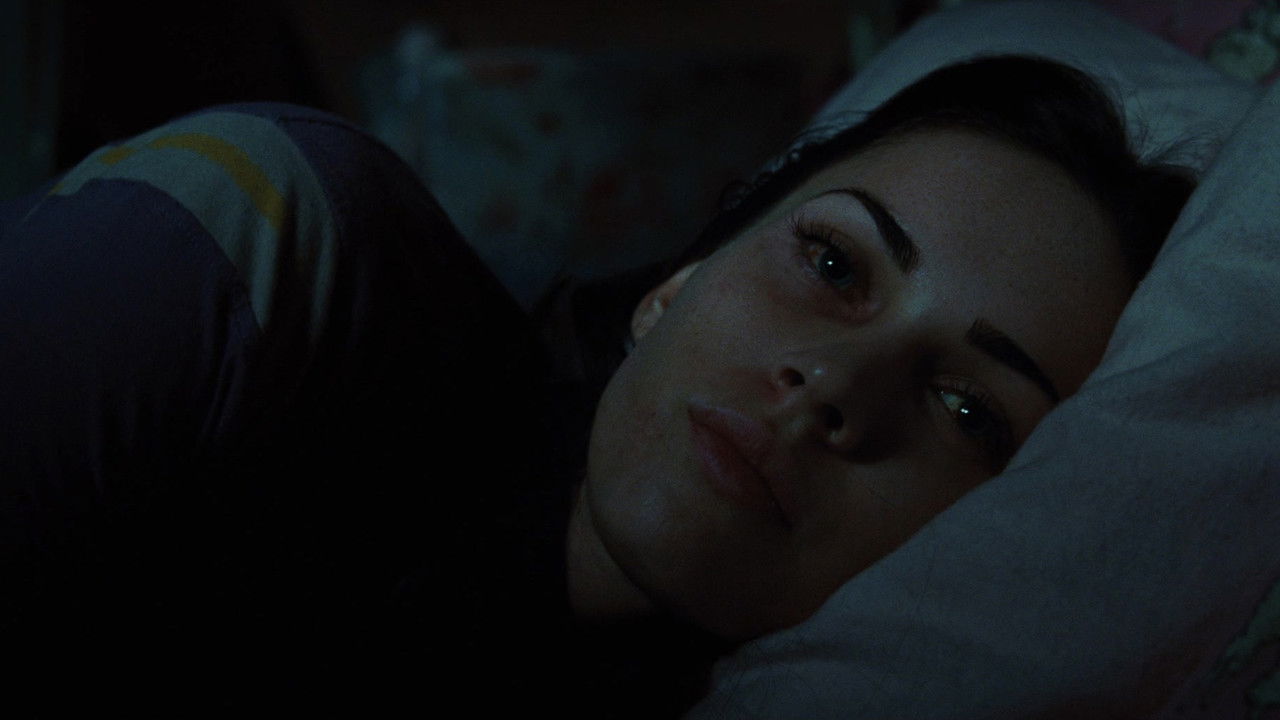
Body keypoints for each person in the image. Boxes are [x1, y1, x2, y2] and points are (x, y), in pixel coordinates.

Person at [0, 55, 1192, 716]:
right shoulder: (264, 254)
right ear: (677, 283)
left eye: (968, 411)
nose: (831, 383)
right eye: (832, 265)